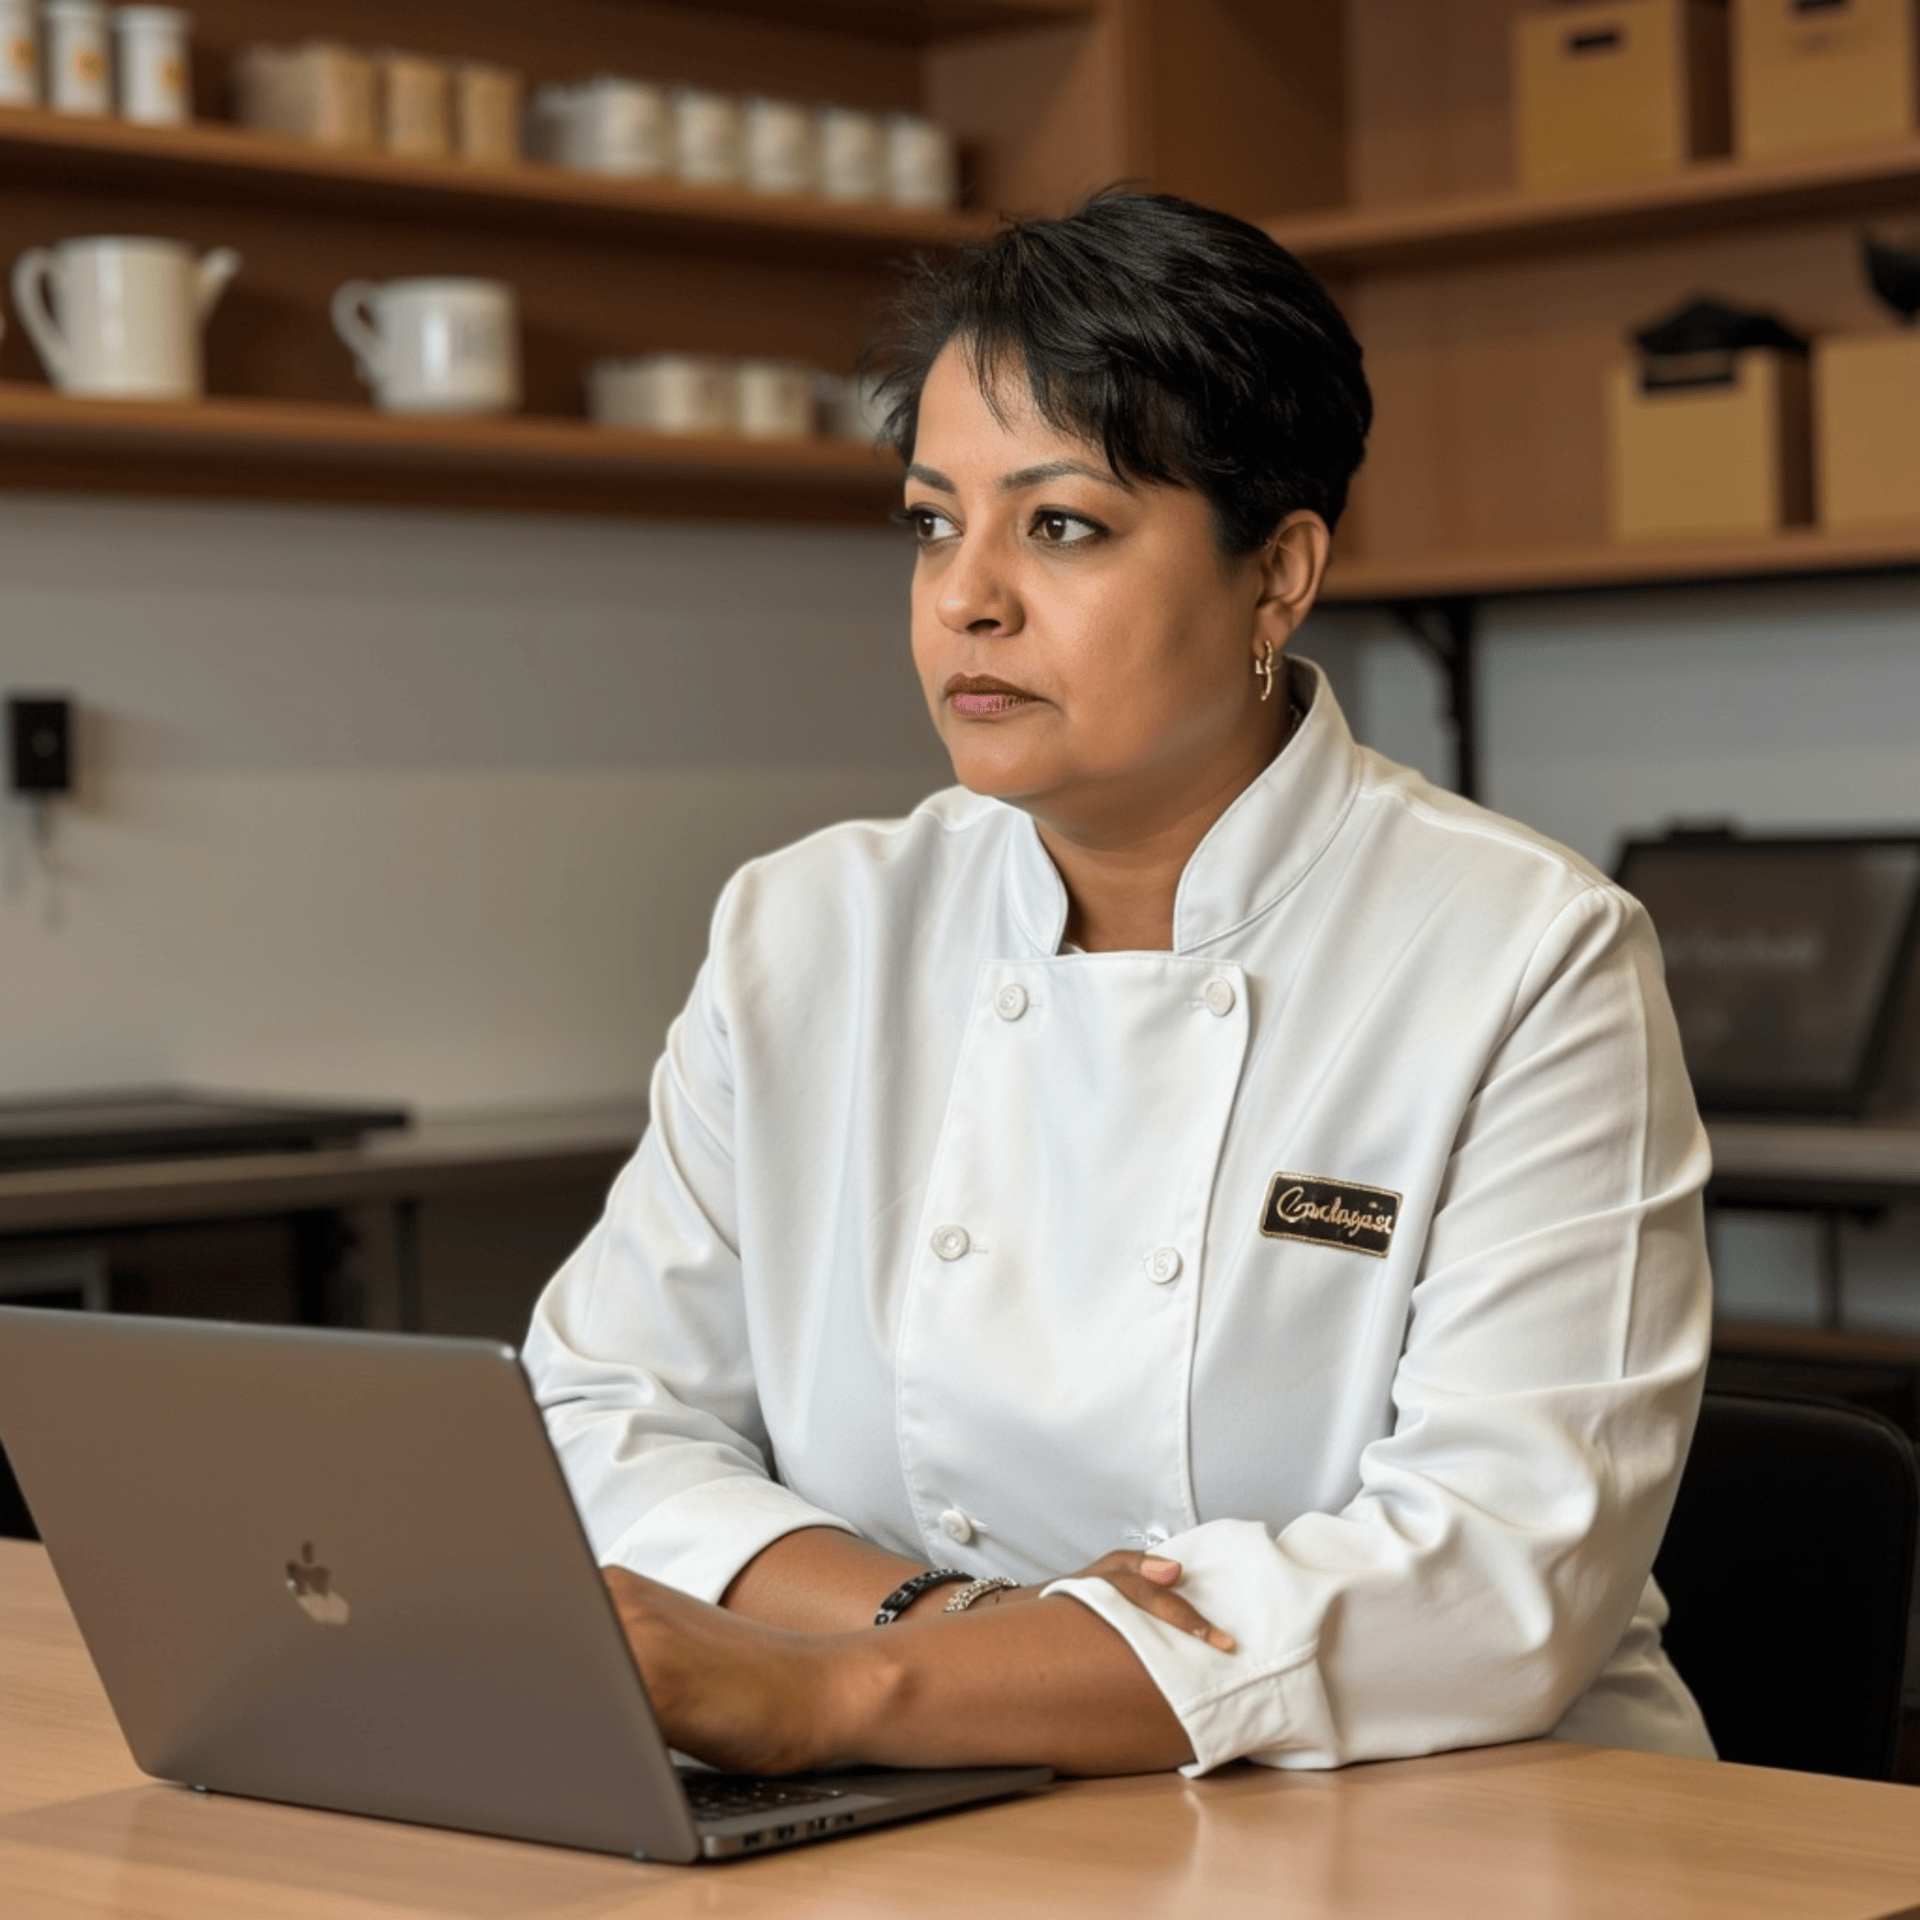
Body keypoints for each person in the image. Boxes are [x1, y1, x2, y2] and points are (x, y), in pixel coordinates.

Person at [524, 190, 1715, 1779]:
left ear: (1278, 571)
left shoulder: (1526, 954)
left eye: (1062, 524)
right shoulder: (808, 929)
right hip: (930, 1803)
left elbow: (1495, 1577)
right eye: (933, 520)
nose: (968, 596)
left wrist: (846, 1697)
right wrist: (940, 1637)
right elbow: (596, 1418)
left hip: (1440, 1826)